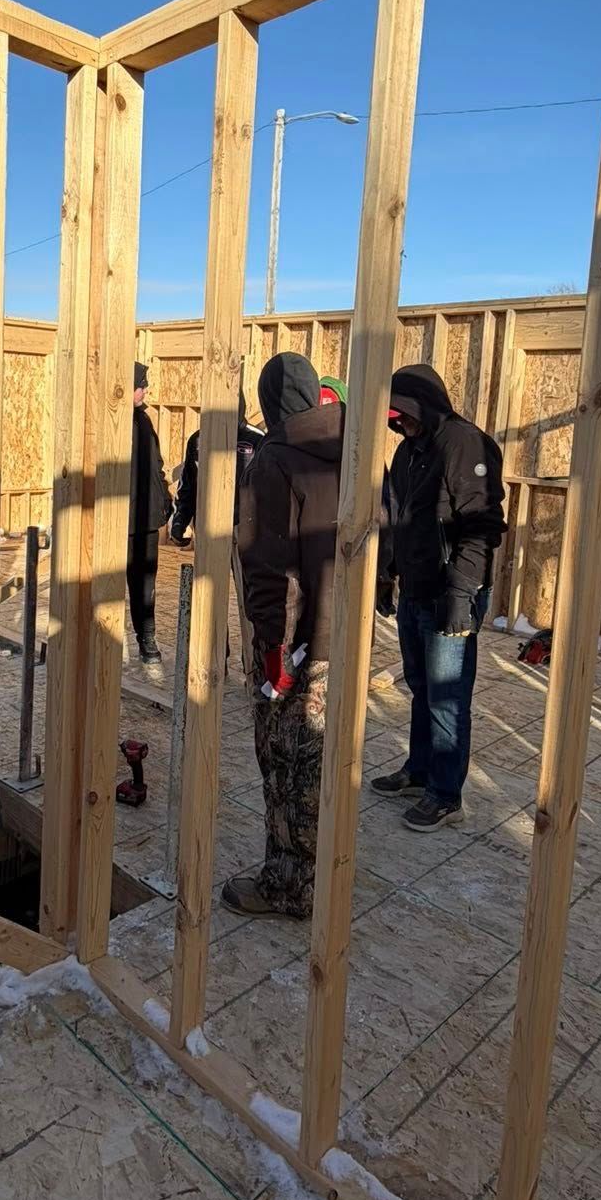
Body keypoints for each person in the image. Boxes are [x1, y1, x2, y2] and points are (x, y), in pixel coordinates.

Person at [223, 352, 343, 918]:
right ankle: (323, 874)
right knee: (321, 762)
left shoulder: (273, 461)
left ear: (271, 403)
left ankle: (287, 887)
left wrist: (272, 651)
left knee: (285, 763)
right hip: (341, 638)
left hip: (293, 647)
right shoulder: (358, 451)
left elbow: (270, 568)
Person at [371, 363, 505, 830]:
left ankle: (446, 794)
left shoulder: (464, 443)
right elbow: (402, 519)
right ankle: (420, 770)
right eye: (395, 418)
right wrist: (389, 573)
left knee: (448, 696)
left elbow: (482, 527)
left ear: (424, 406)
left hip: (450, 591)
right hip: (415, 588)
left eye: (404, 415)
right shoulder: (410, 452)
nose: (399, 424)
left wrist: (461, 594)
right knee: (421, 688)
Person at [168, 390, 264, 543]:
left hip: (245, 530)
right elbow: (187, 484)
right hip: (207, 528)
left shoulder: (257, 440)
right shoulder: (198, 440)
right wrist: (179, 521)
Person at [129, 361, 171, 667]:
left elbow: (156, 465)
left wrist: (164, 498)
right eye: (142, 384)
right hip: (120, 521)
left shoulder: (144, 422)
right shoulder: (112, 425)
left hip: (146, 520)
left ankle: (147, 639)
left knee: (145, 583)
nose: (146, 389)